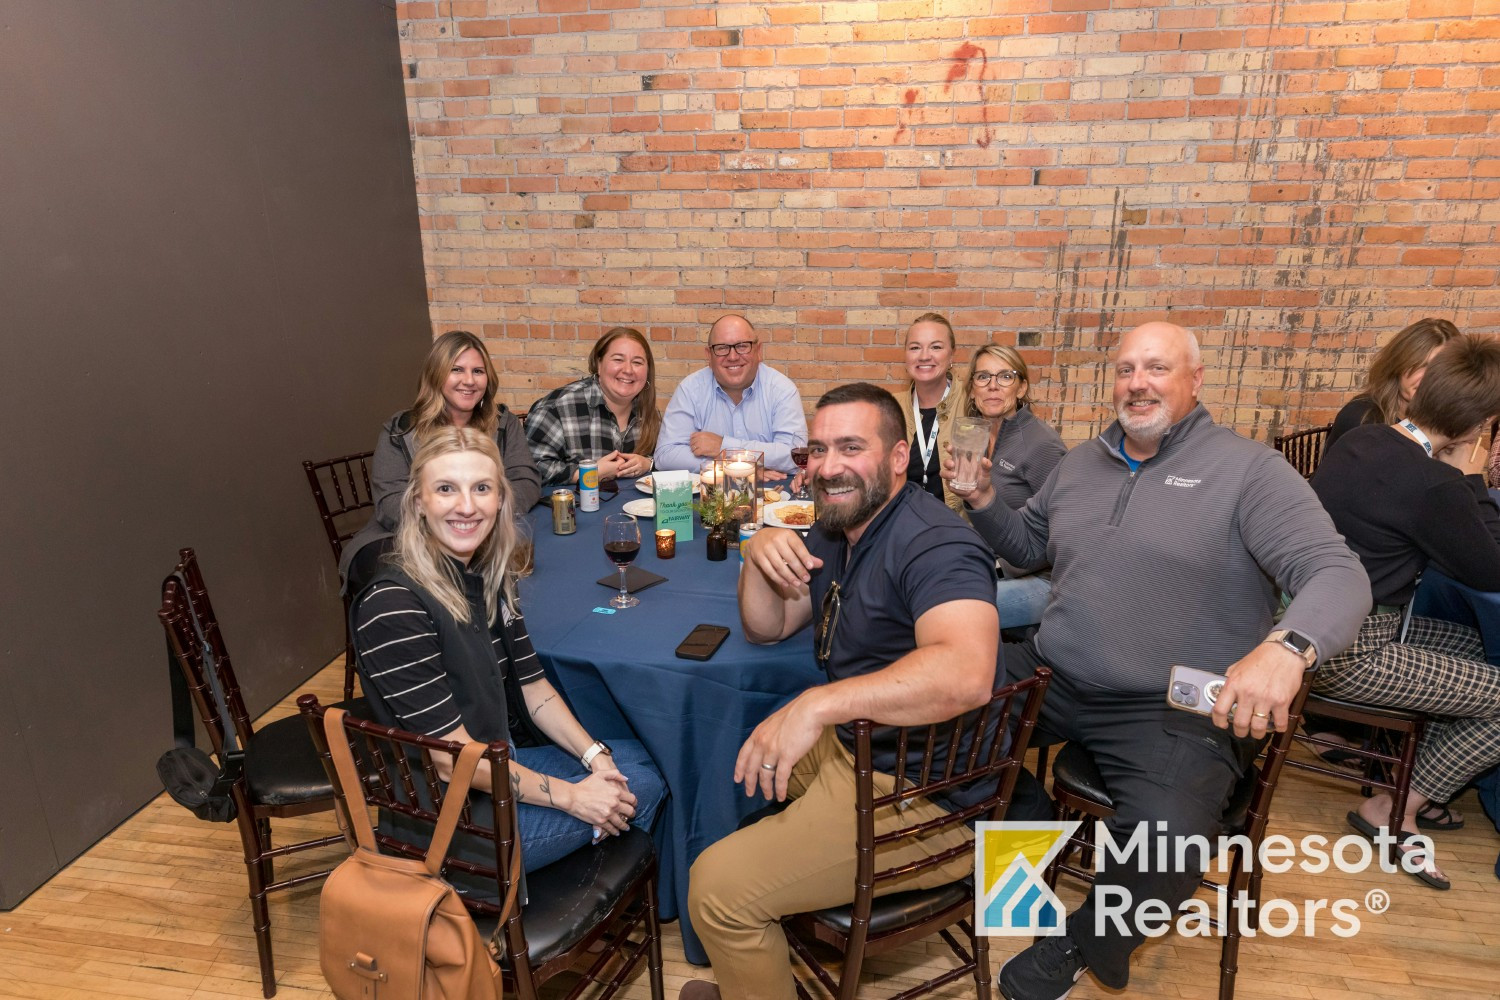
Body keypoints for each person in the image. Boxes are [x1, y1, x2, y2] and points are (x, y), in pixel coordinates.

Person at [965, 322, 1369, 1000]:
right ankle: (1029, 831)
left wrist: (1287, 648)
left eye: (1156, 368)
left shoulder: (1249, 472)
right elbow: (1029, 542)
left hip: (1170, 706)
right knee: (934, 719)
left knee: (1170, 845)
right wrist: (980, 498)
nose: (1137, 383)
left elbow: (1337, 571)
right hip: (1052, 672)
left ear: (1195, 379)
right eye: (1126, 369)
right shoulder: (1083, 461)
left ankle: (1079, 941)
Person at [680, 383, 1009, 1000]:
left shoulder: (937, 544)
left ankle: (751, 942)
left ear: (897, 457)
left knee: (717, 891)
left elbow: (967, 673)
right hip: (860, 753)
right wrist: (755, 556)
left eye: (850, 447)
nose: (828, 466)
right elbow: (769, 626)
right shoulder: (842, 529)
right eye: (817, 449)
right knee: (731, 762)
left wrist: (818, 703)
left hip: (925, 796)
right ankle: (758, 971)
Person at [351, 427, 665, 879]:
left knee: (637, 764)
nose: (466, 506)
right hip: (454, 823)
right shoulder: (394, 604)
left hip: (500, 770)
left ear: (500, 498)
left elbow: (535, 688)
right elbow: (451, 758)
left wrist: (595, 757)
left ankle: (569, 865)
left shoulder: (486, 573)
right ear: (418, 502)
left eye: (481, 488)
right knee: (640, 788)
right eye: (446, 489)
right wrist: (575, 797)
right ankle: (543, 902)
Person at [1310, 335, 1500, 890]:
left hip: (1314, 624)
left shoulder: (1362, 438)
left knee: (1477, 650)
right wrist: (1470, 474)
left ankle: (1421, 773)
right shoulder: (1435, 484)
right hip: (1354, 651)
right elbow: (1490, 570)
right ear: (1478, 424)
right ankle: (1396, 807)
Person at [340, 330, 541, 595]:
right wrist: (451, 529)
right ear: (436, 375)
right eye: (456, 369)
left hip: (484, 530)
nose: (469, 381)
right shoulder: (401, 429)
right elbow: (391, 502)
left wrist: (482, 519)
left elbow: (526, 480)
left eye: (478, 372)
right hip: (404, 537)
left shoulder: (503, 423)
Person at [943, 343, 1067, 629]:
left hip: (1040, 579)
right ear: (972, 389)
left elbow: (1061, 532)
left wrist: (998, 569)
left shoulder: (1042, 445)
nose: (993, 386)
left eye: (1005, 377)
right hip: (987, 562)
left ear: (1021, 388)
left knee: (953, 611)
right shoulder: (976, 435)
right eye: (983, 377)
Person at [653, 314, 807, 477]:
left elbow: (794, 457)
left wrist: (723, 447)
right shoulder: (690, 389)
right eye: (721, 348)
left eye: (742, 346)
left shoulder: (782, 390)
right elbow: (665, 455)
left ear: (758, 351)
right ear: (708, 356)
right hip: (708, 497)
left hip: (773, 495)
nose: (732, 357)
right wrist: (733, 469)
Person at [524, 326, 661, 487]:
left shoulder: (649, 413)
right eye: (618, 360)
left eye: (637, 362)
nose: (628, 370)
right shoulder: (557, 408)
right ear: (598, 363)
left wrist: (648, 463)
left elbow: (665, 458)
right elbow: (529, 469)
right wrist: (588, 473)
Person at [1325, 317, 1462, 448]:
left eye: (1438, 369)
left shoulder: (1450, 425)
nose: (1428, 378)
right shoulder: (1361, 417)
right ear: (1398, 365)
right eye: (1420, 365)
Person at [893, 313, 959, 504]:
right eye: (915, 348)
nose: (924, 356)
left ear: (953, 354)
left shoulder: (973, 405)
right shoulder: (889, 409)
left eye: (936, 347)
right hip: (902, 525)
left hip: (956, 528)